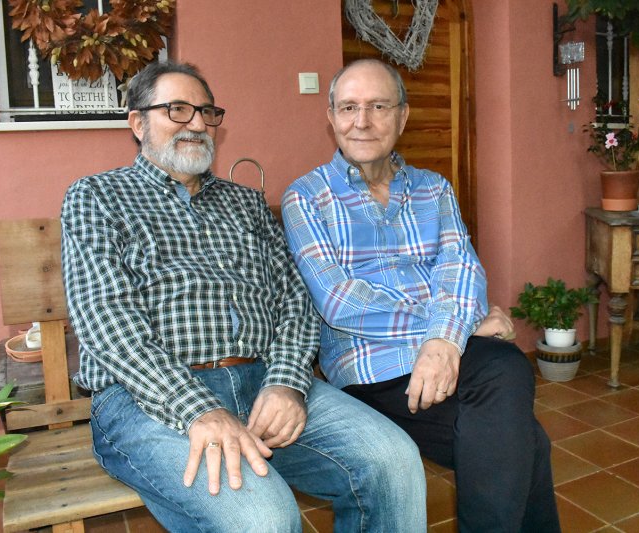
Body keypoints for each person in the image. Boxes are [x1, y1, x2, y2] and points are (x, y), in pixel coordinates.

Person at [61, 60, 427, 533]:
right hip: (147, 399)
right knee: (264, 518)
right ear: (137, 122)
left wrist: (286, 382)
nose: (196, 123)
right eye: (177, 110)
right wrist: (199, 409)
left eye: (205, 112)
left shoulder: (245, 203)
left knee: (393, 461)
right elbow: (105, 320)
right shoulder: (97, 197)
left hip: (261, 383)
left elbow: (295, 300)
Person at [282, 58, 562, 532]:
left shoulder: (434, 189)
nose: (362, 120)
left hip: (451, 354)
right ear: (330, 118)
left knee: (514, 433)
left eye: (377, 106)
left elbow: (462, 270)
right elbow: (339, 300)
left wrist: (444, 339)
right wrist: (456, 328)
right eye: (348, 107)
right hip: (374, 366)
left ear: (403, 116)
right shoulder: (307, 197)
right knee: (516, 405)